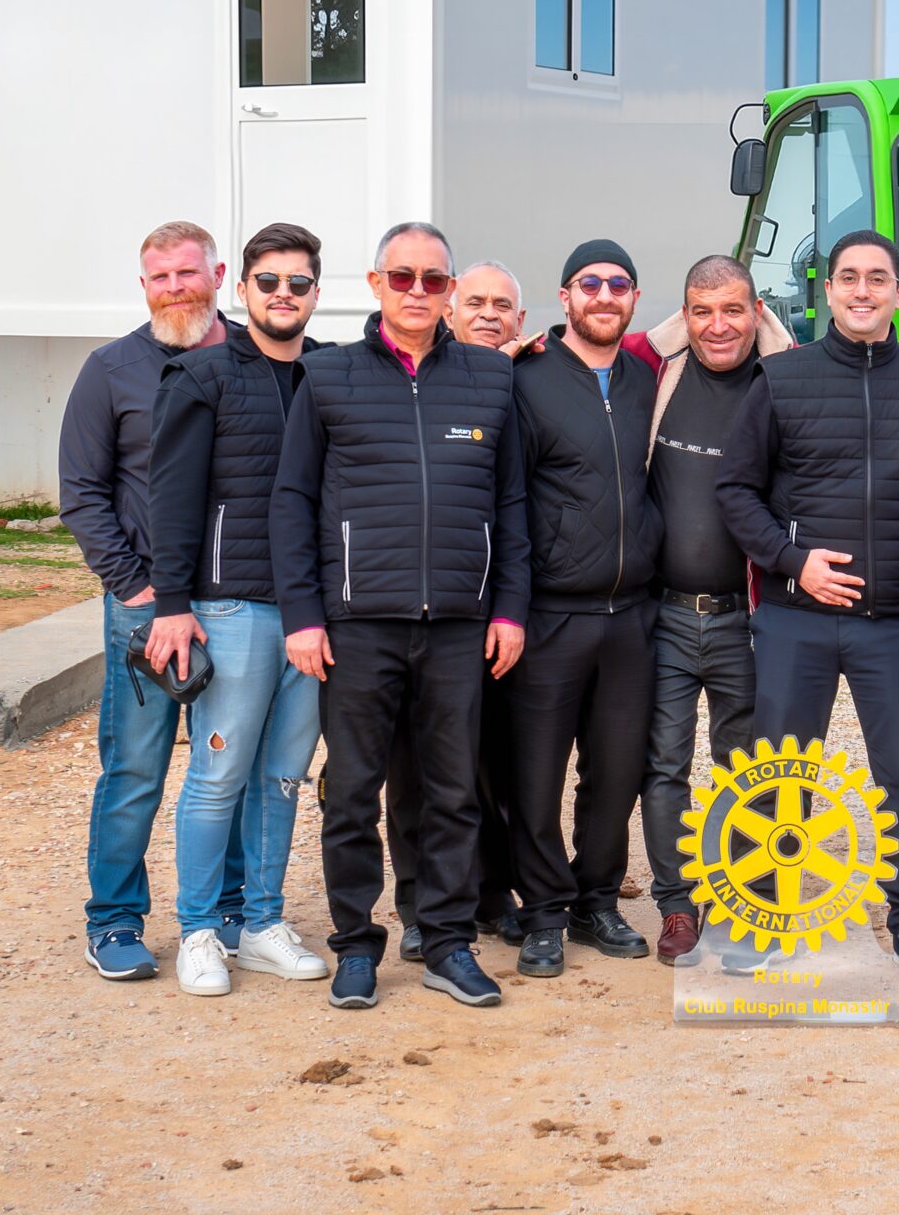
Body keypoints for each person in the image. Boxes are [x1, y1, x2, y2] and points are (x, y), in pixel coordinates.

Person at [272, 222, 529, 1012]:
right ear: (376, 283)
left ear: (450, 294)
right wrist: (303, 617)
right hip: (357, 626)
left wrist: (510, 608)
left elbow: (511, 501)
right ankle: (356, 946)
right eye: (404, 277)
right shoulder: (329, 377)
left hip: (458, 623)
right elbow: (292, 501)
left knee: (452, 794)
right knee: (351, 794)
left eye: (434, 280)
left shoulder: (490, 379)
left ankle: (447, 942)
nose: (419, 291)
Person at [716, 230, 899, 980]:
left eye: (877, 279)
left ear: (897, 292)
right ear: (827, 290)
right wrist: (793, 563)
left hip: (895, 627)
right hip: (797, 619)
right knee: (780, 776)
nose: (861, 291)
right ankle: (766, 911)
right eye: (848, 278)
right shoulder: (781, 379)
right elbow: (735, 491)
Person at [144, 223, 333, 997]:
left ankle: (258, 924)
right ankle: (198, 932)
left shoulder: (334, 375)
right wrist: (173, 605)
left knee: (283, 776)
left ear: (316, 293)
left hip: (314, 618)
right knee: (218, 775)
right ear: (242, 288)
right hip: (232, 610)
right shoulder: (203, 376)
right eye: (269, 282)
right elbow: (173, 500)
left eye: (298, 283)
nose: (283, 295)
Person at [60, 220, 245, 981]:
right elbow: (81, 494)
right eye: (159, 277)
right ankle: (113, 921)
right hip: (143, 609)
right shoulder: (111, 370)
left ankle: (227, 908)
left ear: (219, 273)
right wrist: (139, 590)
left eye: (187, 273)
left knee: (227, 763)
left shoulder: (253, 359)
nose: (175, 288)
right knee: (135, 767)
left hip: (237, 607)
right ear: (144, 286)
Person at [504, 239, 663, 977]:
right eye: (589, 283)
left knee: (616, 771)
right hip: (551, 613)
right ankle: (542, 912)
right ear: (564, 297)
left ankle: (597, 899)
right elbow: (506, 500)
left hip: (633, 615)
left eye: (619, 284)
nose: (605, 295)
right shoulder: (526, 378)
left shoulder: (649, 379)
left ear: (634, 299)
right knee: (535, 771)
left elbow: (749, 328)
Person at [638, 255, 793, 964]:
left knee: (749, 767)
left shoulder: (784, 381)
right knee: (664, 765)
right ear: (684, 317)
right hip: (665, 615)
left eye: (733, 309)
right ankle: (677, 907)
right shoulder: (658, 376)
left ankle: (744, 896)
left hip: (745, 617)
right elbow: (595, 342)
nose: (718, 325)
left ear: (757, 311)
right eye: (702, 311)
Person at [394, 258, 532, 959]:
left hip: (503, 606)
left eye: (501, 305)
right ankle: (419, 901)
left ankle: (493, 891)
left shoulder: (524, 378)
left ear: (522, 321)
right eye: (473, 300)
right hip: (425, 609)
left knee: (498, 762)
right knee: (419, 765)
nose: (487, 313)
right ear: (449, 312)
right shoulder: (415, 380)